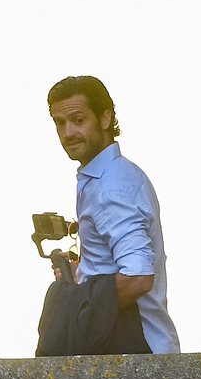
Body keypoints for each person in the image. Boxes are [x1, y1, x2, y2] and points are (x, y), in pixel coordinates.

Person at [46, 75, 180, 353]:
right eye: (60, 123)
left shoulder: (113, 186)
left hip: (134, 352)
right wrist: (80, 273)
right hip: (127, 347)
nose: (68, 132)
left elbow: (138, 277)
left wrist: (77, 310)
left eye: (78, 119)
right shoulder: (103, 177)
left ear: (105, 118)